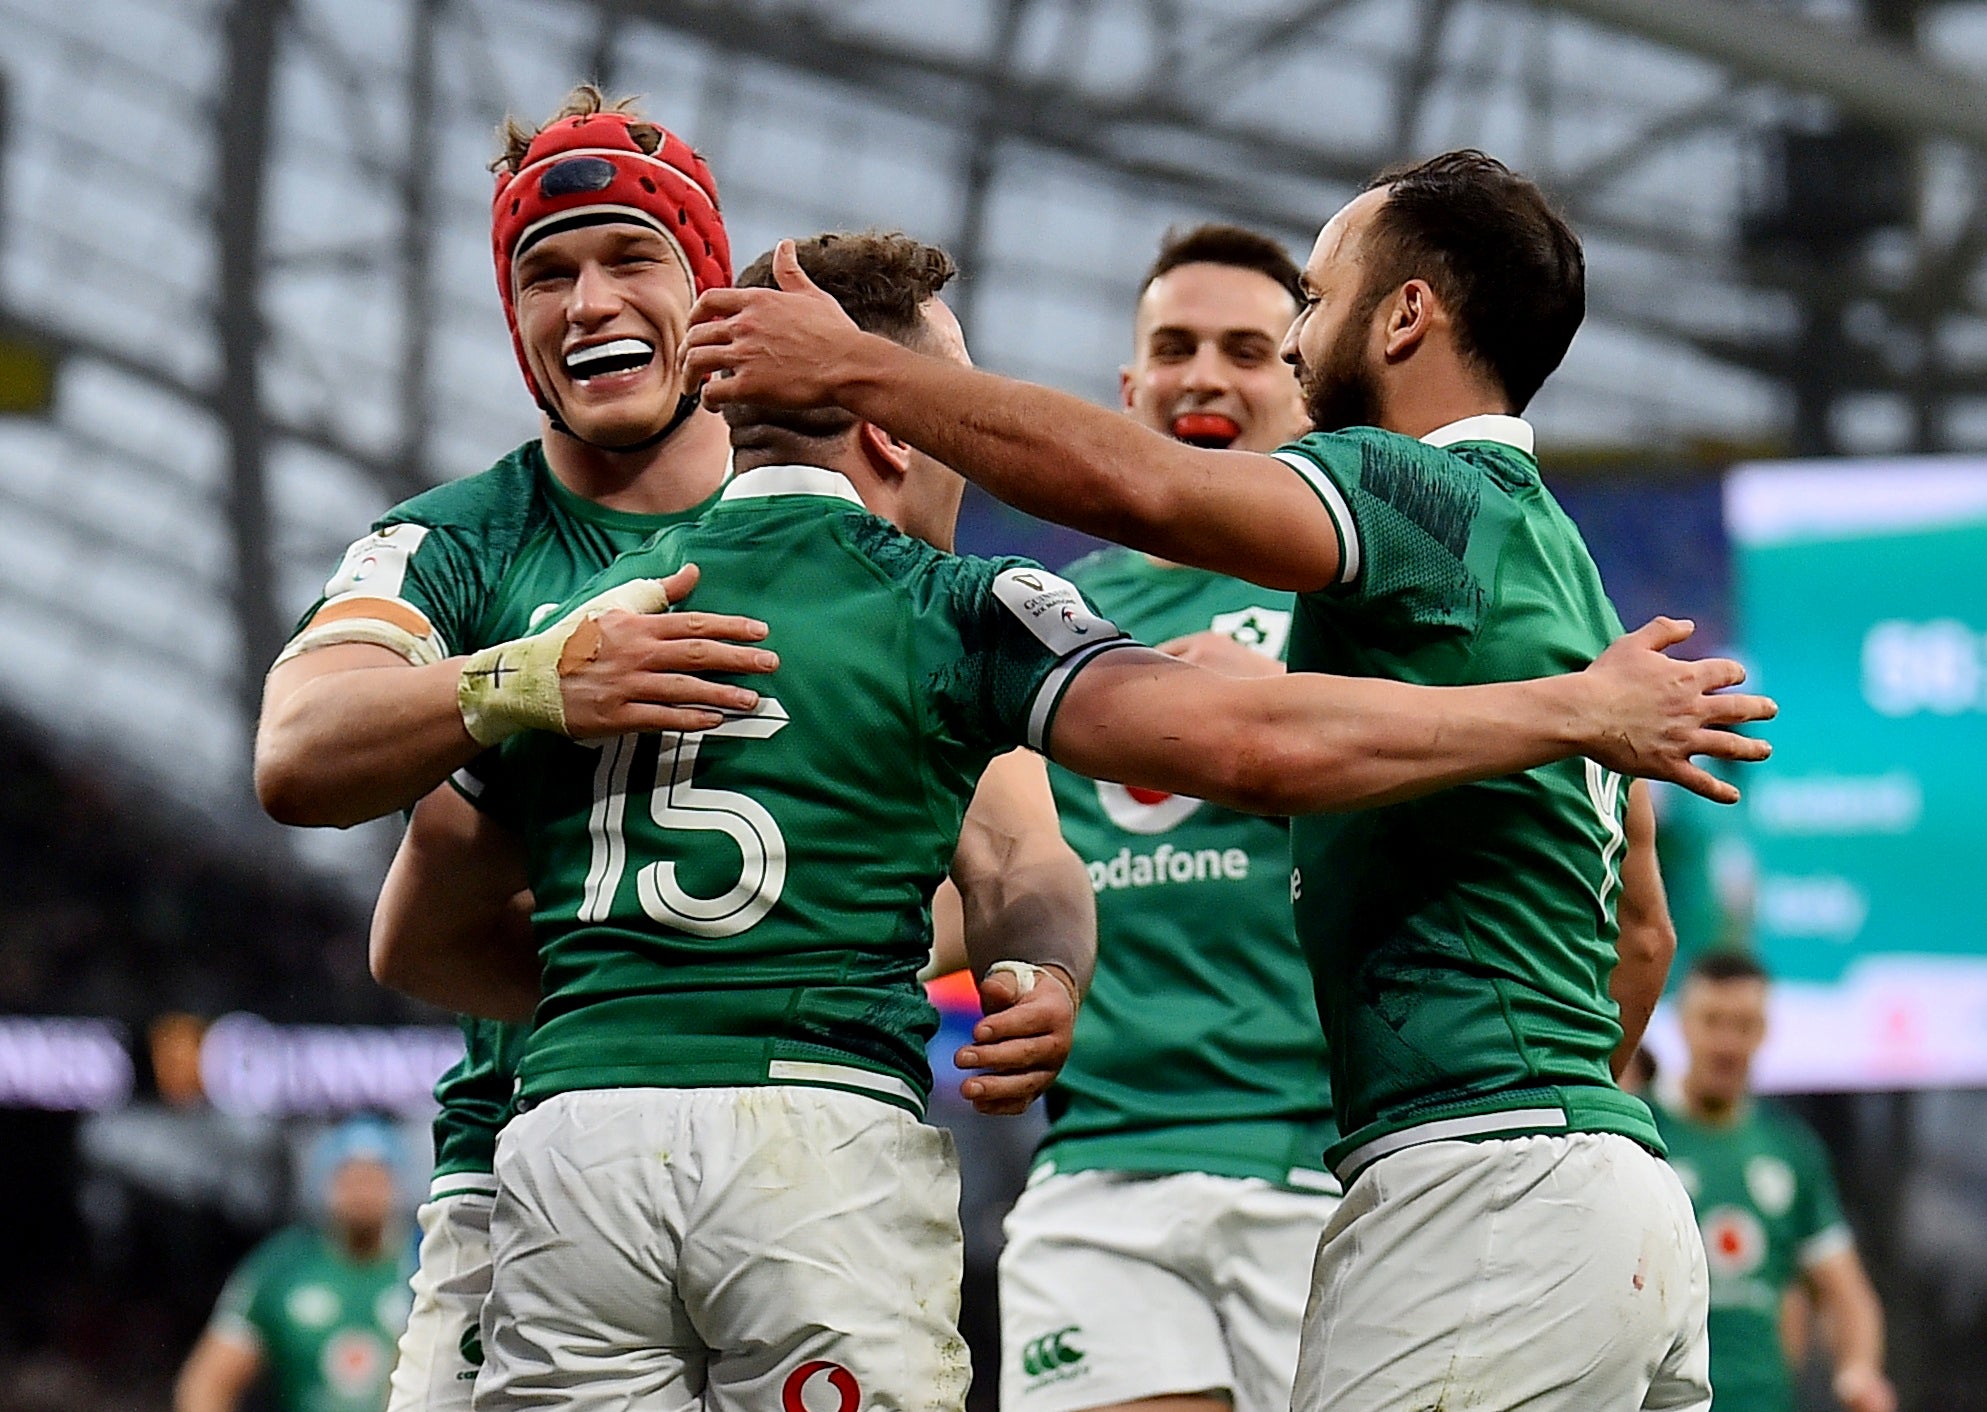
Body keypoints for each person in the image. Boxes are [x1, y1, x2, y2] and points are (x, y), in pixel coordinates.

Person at [379, 226, 1768, 1412]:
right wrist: (1570, 717)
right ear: (891, 422)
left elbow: (412, 917)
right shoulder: (980, 611)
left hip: (579, 1149)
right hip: (993, 1157)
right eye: (1178, 347)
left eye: (1272, 333)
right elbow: (1225, 747)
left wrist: (655, 994)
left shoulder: (580, 623)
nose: (1248, 364)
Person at [253, 88, 1086, 1412]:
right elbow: (299, 754)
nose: (586, 300)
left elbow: (1005, 844)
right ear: (511, 317)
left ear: (709, 294)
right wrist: (530, 679)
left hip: (803, 1149)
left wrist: (735, 962)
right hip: (523, 1170)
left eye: (628, 257)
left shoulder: (861, 533)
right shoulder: (458, 547)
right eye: (546, 272)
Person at [998, 224, 1334, 1412]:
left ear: (1305, 378)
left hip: (1330, 1173)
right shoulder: (1040, 617)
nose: (1204, 374)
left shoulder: (1367, 601)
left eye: (1247, 349)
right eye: (1173, 347)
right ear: (1128, 389)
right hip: (1100, 1168)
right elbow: (980, 879)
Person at [1653, 952, 1896, 1412]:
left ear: (1764, 1032)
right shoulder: (1643, 1134)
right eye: (1713, 1021)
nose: (1727, 1042)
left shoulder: (1792, 1152)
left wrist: (1858, 1372)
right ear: (1682, 1024)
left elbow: (1847, 1296)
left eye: (1743, 1025)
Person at [175, 1118, 412, 1412]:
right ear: (328, 1184)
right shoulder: (282, 1268)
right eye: (351, 1178)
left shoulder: (424, 1265)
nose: (362, 1192)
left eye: (374, 1178)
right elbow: (206, 1383)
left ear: (396, 1185)